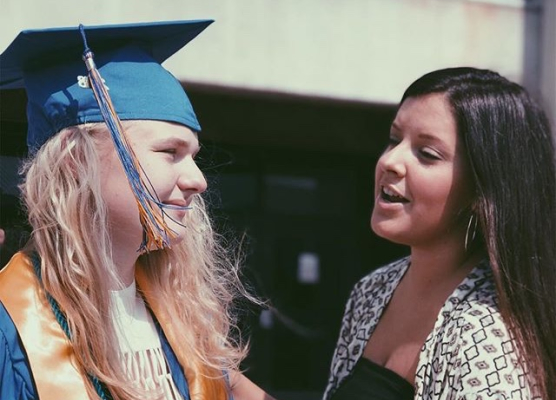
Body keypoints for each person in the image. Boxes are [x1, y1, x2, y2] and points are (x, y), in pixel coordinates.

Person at [0, 20, 274, 400]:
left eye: (194, 157)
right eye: (170, 152)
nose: (199, 180)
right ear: (76, 161)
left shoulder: (182, 321)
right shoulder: (10, 331)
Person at [323, 68, 555, 399]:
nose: (391, 160)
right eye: (394, 139)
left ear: (481, 190)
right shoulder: (373, 291)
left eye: (427, 154)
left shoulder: (485, 337)